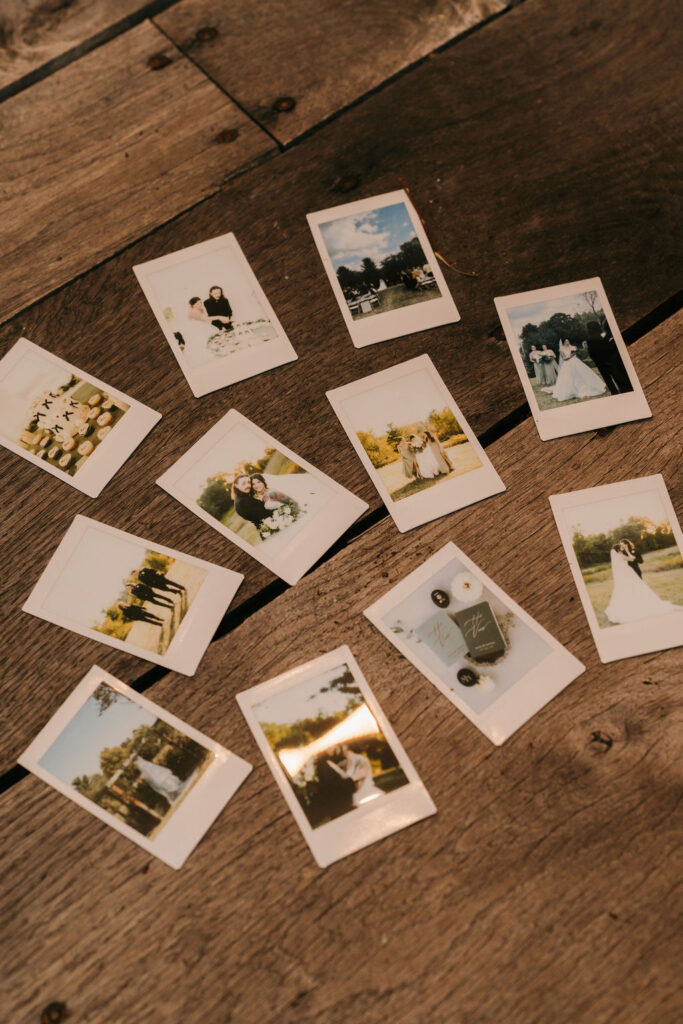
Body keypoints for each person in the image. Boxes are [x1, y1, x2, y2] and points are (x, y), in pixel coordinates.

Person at [604, 544, 678, 624]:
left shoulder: (617, 557)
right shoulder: (621, 555)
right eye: (621, 547)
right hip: (628, 574)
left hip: (624, 574)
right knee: (635, 587)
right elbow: (632, 559)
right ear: (618, 549)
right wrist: (628, 551)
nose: (623, 548)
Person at [585, 320, 632, 395]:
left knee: (607, 379)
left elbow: (591, 353)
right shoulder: (600, 337)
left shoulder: (590, 339)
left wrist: (596, 361)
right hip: (608, 360)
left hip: (600, 363)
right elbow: (606, 347)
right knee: (615, 376)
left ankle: (614, 391)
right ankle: (620, 389)